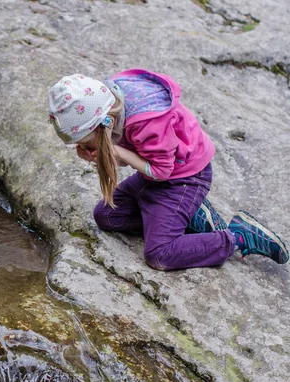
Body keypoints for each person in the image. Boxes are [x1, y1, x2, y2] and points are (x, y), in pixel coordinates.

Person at [47, 69, 288, 270]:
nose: (82, 147)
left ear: (104, 123)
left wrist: (117, 153)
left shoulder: (146, 122)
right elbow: (139, 158)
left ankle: (238, 236)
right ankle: (190, 215)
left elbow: (162, 171)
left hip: (184, 179)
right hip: (153, 177)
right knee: (106, 215)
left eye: (86, 141)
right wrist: (104, 154)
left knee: (159, 254)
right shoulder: (110, 101)